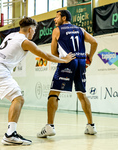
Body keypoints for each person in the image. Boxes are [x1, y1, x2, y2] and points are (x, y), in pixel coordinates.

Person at [0, 17, 75, 146]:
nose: (34, 32)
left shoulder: (12, 35)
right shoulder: (25, 42)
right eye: (34, 30)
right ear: (30, 29)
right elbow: (45, 55)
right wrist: (65, 60)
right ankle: (10, 134)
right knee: (18, 99)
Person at [37, 10, 98, 138]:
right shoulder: (80, 29)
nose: (54, 20)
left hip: (67, 62)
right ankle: (91, 126)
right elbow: (94, 42)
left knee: (53, 93)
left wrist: (64, 59)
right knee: (82, 94)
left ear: (63, 18)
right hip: (81, 62)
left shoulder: (57, 30)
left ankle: (50, 126)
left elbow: (53, 53)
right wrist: (90, 58)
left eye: (56, 17)